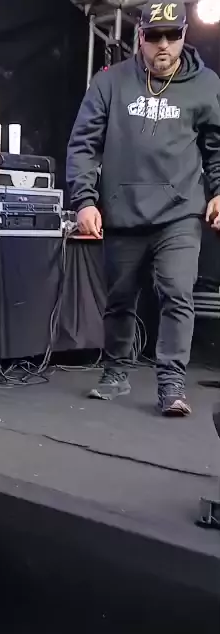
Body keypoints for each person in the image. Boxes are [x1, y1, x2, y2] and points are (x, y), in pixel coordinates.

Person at [66, 0, 220, 416]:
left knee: (177, 292)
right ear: (140, 37)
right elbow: (83, 144)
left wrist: (219, 190)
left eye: (172, 35)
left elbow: (216, 145)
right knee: (119, 299)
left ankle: (172, 384)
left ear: (184, 35)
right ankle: (116, 371)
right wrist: (84, 200)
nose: (163, 45)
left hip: (180, 210)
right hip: (123, 209)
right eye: (154, 36)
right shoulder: (110, 82)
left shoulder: (206, 85)